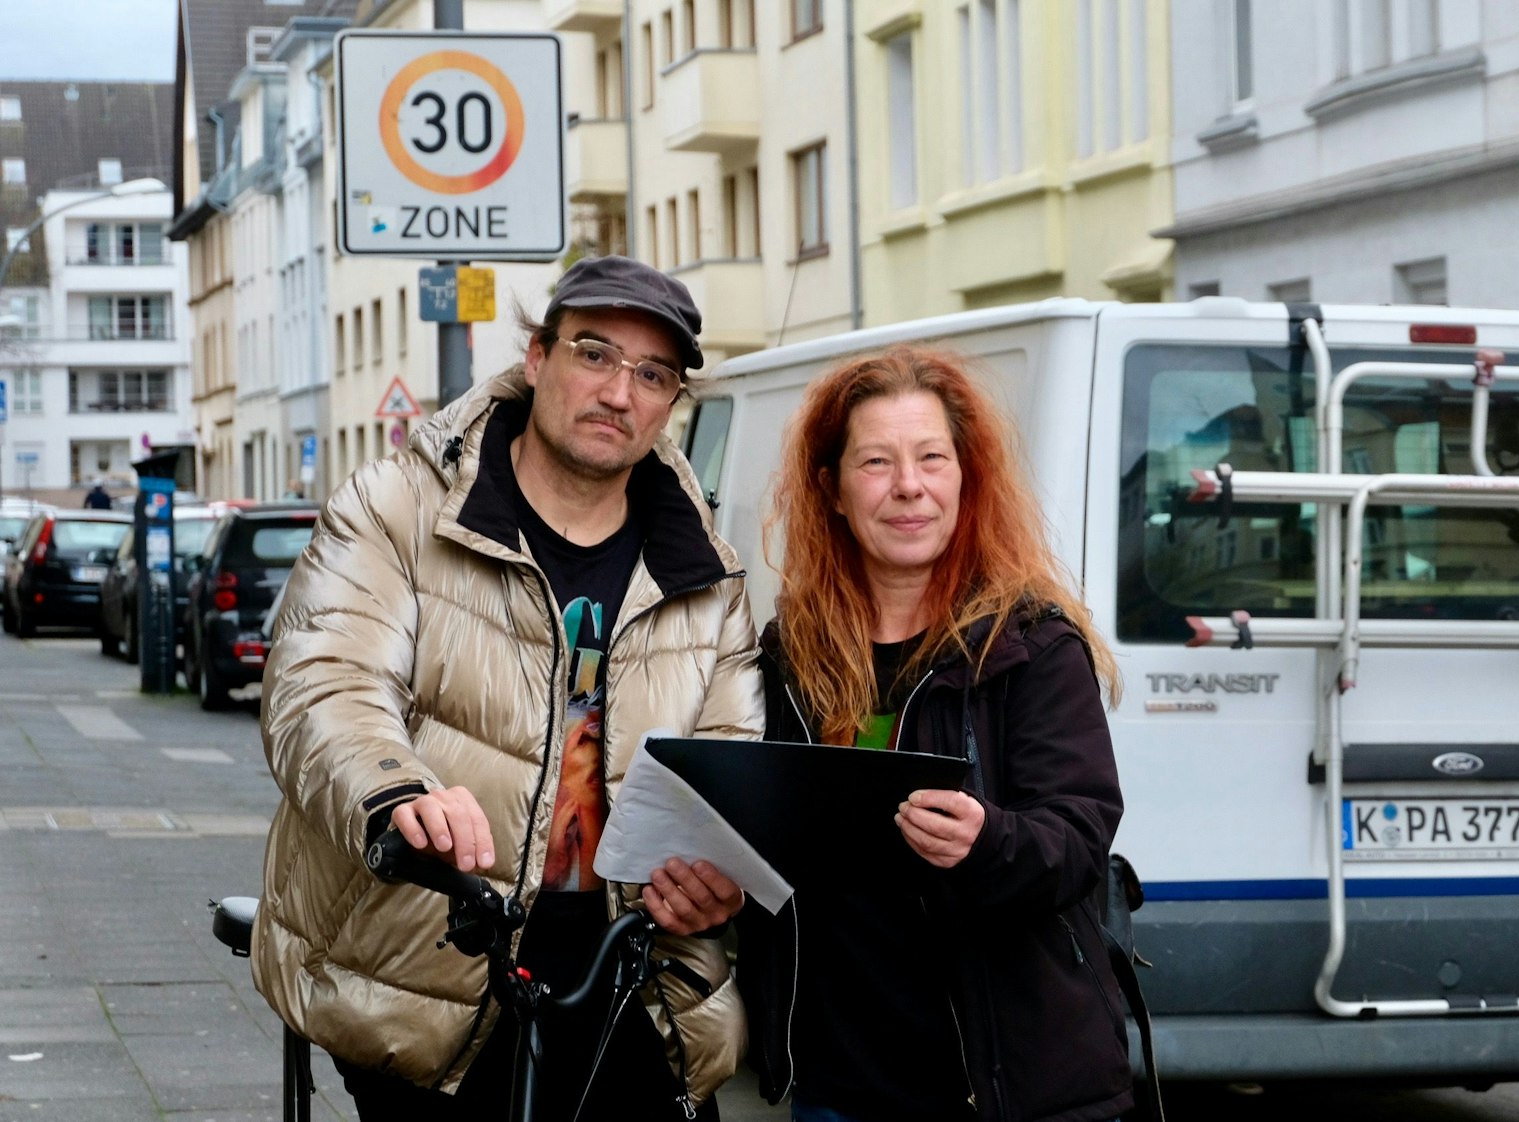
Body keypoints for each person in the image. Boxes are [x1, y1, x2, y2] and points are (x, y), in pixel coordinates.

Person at [251, 256, 760, 1120]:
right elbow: (323, 679)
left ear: (671, 401)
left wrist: (719, 876)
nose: (619, 391)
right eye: (594, 354)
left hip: (634, 980)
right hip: (430, 965)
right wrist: (396, 791)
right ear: (537, 356)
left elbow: (728, 763)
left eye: (652, 375)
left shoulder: (704, 570)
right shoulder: (398, 508)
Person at [739, 346, 1134, 1122]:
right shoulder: (791, 655)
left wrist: (989, 842)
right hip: (841, 1086)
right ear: (833, 490)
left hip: (1010, 1086)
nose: (908, 486)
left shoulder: (1031, 645)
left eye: (930, 458)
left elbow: (1079, 836)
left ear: (965, 477)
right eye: (876, 463)